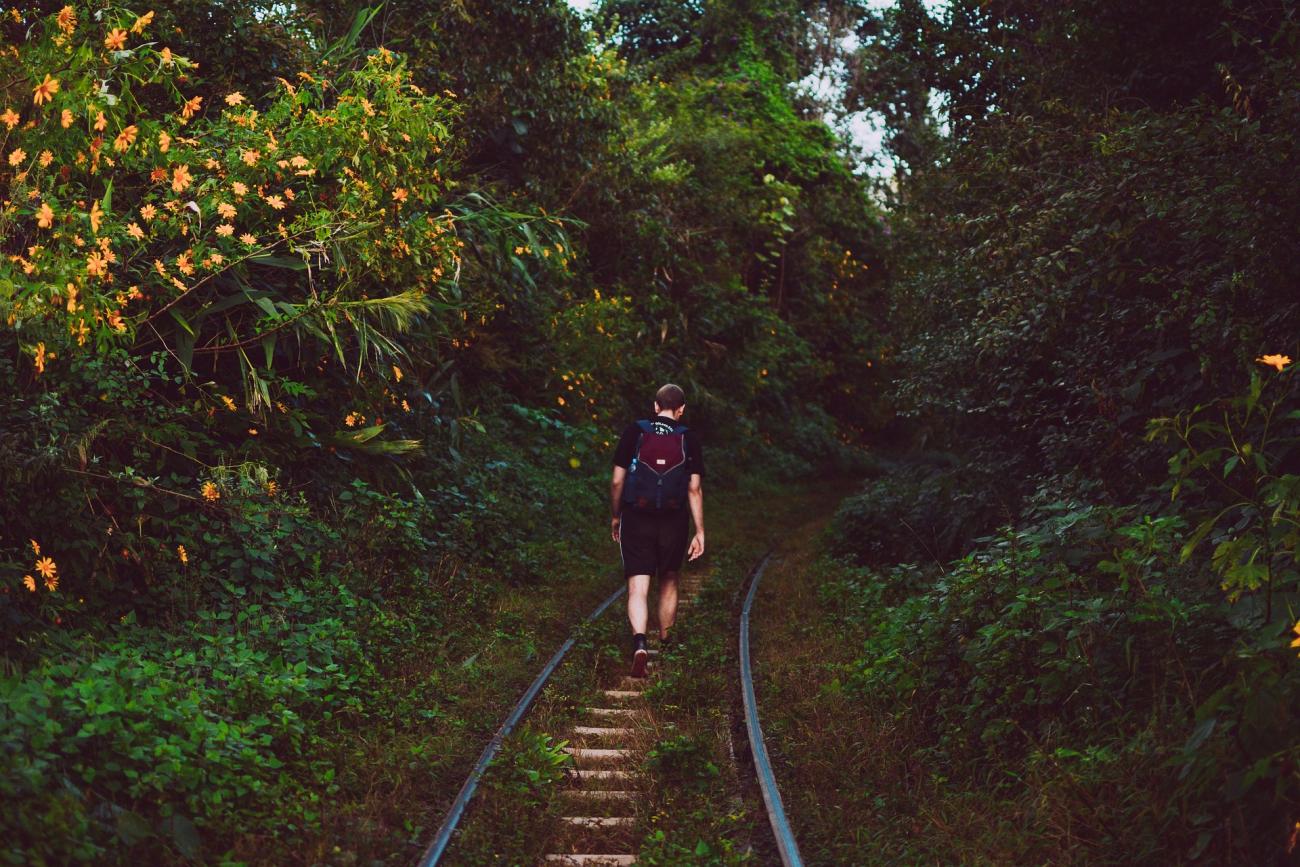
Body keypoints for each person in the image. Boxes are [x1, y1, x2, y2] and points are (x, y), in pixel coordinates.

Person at [610, 383, 705, 677]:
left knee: (638, 586)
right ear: (681, 409)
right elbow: (694, 487)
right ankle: (666, 643)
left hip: (636, 516)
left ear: (655, 406)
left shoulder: (634, 431)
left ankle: (640, 643)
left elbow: (617, 481)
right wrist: (700, 530)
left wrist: (616, 516)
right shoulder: (688, 437)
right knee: (669, 580)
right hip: (673, 520)